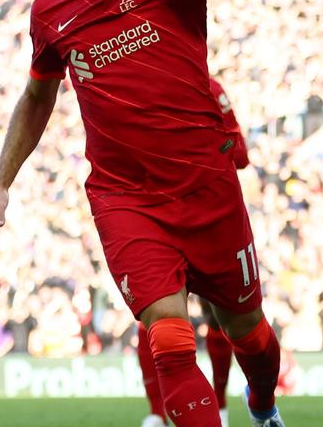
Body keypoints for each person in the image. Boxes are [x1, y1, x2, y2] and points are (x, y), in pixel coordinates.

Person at [0, 0, 285, 427]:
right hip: (127, 198)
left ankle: (264, 406)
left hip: (206, 188)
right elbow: (38, 95)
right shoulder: (52, 10)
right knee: (170, 340)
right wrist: (1, 184)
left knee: (249, 335)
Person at [137, 78, 249, 427]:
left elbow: (240, 154)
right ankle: (163, 414)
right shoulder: (142, 89)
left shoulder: (207, 89)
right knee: (158, 318)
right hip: (167, 216)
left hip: (196, 214)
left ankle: (216, 408)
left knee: (208, 318)